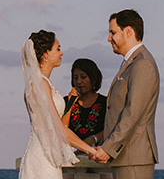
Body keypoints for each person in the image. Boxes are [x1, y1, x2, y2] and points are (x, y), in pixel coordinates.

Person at [19, 30, 102, 179]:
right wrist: (91, 151)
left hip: (48, 158)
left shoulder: (43, 83)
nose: (62, 53)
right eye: (58, 48)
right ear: (45, 54)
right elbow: (59, 129)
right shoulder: (39, 84)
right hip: (42, 161)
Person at [93, 9, 160, 179]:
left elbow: (132, 113)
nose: (109, 38)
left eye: (113, 32)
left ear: (128, 31)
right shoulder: (131, 63)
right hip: (124, 158)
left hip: (134, 158)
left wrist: (108, 148)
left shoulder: (142, 63)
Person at [62, 58, 107, 146]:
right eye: (75, 78)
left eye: (83, 77)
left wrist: (94, 138)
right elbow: (62, 129)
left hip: (98, 154)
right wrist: (70, 104)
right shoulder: (66, 101)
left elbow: (112, 128)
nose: (79, 81)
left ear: (93, 78)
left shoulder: (105, 102)